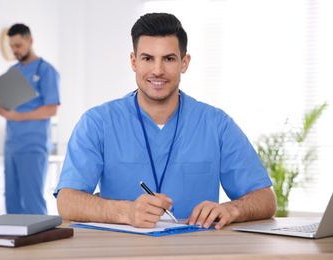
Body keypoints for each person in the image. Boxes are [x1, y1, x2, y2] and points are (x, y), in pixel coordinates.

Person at [54, 13, 276, 229]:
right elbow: (67, 201)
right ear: (133, 61)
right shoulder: (97, 123)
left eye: (169, 59)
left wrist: (231, 209)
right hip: (121, 252)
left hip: (198, 250)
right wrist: (127, 212)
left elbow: (265, 199)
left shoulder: (217, 124)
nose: (157, 70)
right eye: (147, 58)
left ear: (184, 63)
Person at [0, 23, 60, 215]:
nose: (15, 50)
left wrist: (17, 116)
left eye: (18, 45)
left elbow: (51, 110)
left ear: (30, 41)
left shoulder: (46, 70)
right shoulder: (12, 72)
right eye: (12, 46)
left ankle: (40, 244)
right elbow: (8, 106)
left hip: (33, 145)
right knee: (12, 201)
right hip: (12, 145)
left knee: (32, 201)